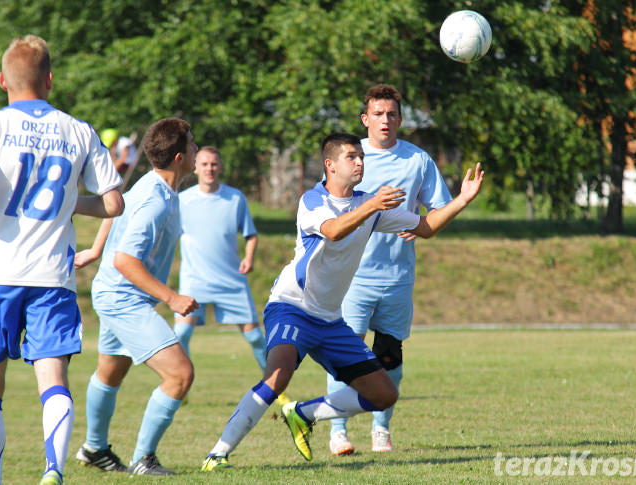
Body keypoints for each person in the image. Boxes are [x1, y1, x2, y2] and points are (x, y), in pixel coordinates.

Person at [200, 132, 483, 471]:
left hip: (330, 321)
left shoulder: (370, 206)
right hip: (292, 306)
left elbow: (425, 227)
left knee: (384, 395)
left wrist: (462, 200)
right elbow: (334, 230)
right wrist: (372, 205)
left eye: (361, 156)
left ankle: (303, 413)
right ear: (330, 165)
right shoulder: (312, 200)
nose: (360, 162)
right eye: (351, 157)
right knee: (278, 377)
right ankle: (218, 453)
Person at [0, 35, 124, 485]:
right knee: (53, 379)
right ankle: (53, 471)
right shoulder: (78, 130)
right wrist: (67, 204)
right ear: (49, 81)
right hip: (53, 276)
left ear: (3, 80)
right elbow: (114, 203)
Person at [327, 84, 455, 456]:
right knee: (346, 356)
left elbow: (439, 210)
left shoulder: (417, 160)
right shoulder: (351, 157)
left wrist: (420, 224)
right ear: (365, 119)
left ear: (400, 119)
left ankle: (380, 428)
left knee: (389, 358)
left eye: (392, 114)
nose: (385, 120)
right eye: (378, 114)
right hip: (351, 277)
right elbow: (330, 208)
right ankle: (337, 429)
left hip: (397, 277)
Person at [73, 117, 199, 476]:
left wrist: (96, 249)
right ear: (179, 157)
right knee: (179, 375)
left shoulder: (154, 186)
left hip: (114, 292)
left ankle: (94, 448)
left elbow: (116, 208)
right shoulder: (156, 201)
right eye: (191, 144)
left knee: (111, 373)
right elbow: (126, 261)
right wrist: (172, 298)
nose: (195, 149)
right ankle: (144, 459)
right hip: (122, 297)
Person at [173, 146, 288, 405]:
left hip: (231, 281)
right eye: (204, 164)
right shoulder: (183, 200)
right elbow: (169, 236)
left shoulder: (235, 198)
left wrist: (248, 257)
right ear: (195, 168)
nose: (209, 169)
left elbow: (251, 235)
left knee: (256, 337)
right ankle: (178, 388)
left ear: (220, 167)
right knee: (181, 336)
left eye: (214, 164)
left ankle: (275, 389)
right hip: (194, 281)